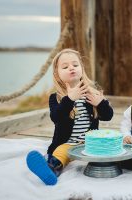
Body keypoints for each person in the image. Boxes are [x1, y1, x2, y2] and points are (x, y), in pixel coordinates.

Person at [26, 49, 113, 185]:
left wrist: (100, 103)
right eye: (65, 67)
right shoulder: (56, 98)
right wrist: (70, 99)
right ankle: (50, 170)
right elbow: (56, 117)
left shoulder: (92, 92)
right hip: (68, 143)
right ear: (57, 74)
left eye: (75, 65)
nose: (71, 68)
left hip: (91, 143)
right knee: (60, 154)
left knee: (111, 150)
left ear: (82, 69)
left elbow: (108, 116)